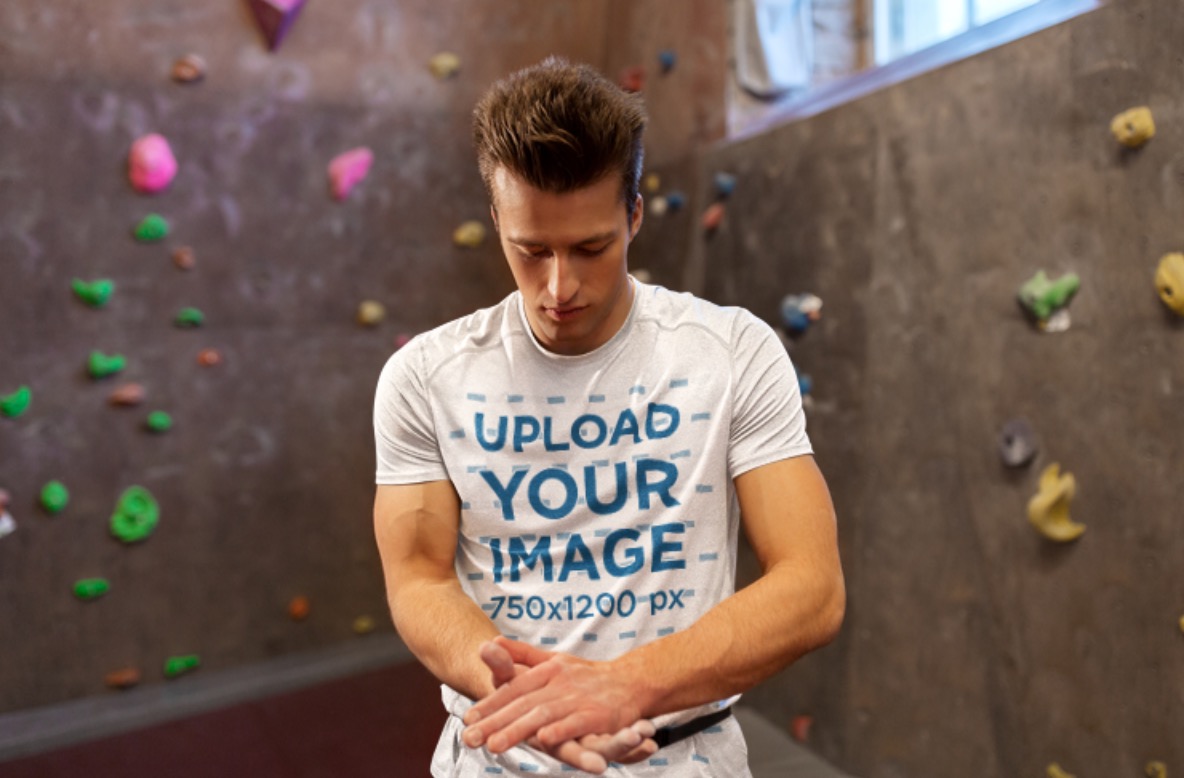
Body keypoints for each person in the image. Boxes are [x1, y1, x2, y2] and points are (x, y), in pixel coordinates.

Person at [372, 56, 845, 777]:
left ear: (633, 216)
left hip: (685, 759)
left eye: (590, 248)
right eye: (531, 250)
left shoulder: (731, 352)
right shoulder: (425, 376)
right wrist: (535, 706)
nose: (558, 286)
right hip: (496, 756)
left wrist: (624, 687)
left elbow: (812, 587)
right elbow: (419, 579)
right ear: (497, 220)